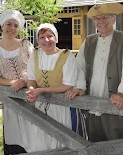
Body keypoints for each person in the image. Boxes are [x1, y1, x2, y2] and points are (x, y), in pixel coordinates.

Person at [66, 3, 123, 142]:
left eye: (105, 17)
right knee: (93, 142)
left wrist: (122, 93)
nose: (101, 21)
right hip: (92, 102)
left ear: (113, 20)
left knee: (117, 143)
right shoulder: (89, 41)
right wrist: (80, 87)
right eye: (97, 18)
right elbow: (80, 66)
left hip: (116, 104)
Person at [24, 23, 79, 152]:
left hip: (61, 106)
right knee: (40, 139)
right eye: (42, 37)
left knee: (60, 140)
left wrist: (41, 90)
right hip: (39, 106)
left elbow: (67, 85)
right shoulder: (35, 55)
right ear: (38, 40)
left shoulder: (66, 56)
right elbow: (31, 79)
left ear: (56, 38)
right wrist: (32, 89)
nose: (46, 40)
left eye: (50, 36)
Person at [0, 10, 34, 154]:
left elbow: (35, 67)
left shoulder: (26, 44)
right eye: (8, 24)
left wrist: (25, 82)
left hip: (31, 92)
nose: (11, 28)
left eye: (15, 25)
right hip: (11, 96)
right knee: (14, 129)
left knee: (34, 128)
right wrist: (14, 82)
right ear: (2, 26)